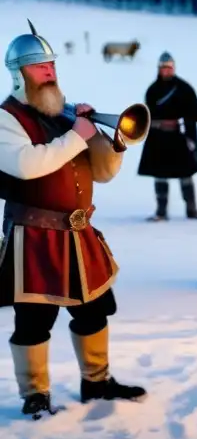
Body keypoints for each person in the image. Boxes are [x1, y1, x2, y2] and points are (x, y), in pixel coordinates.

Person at [0, 21, 146, 418]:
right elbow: (27, 165)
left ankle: (95, 383)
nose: (49, 71)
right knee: (34, 320)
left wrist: (107, 141)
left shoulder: (64, 115)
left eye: (51, 64)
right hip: (35, 236)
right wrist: (76, 136)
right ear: (19, 73)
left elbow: (101, 173)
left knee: (95, 311)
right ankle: (35, 395)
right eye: (39, 66)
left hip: (79, 234)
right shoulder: (7, 118)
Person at [138, 51, 197, 221]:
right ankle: (161, 211)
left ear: (173, 68)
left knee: (186, 174)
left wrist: (186, 130)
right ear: (159, 69)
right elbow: (147, 114)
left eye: (169, 68)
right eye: (163, 68)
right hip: (159, 138)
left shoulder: (184, 89)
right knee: (160, 175)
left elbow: (193, 114)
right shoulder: (153, 90)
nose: (166, 71)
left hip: (179, 137)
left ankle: (191, 209)